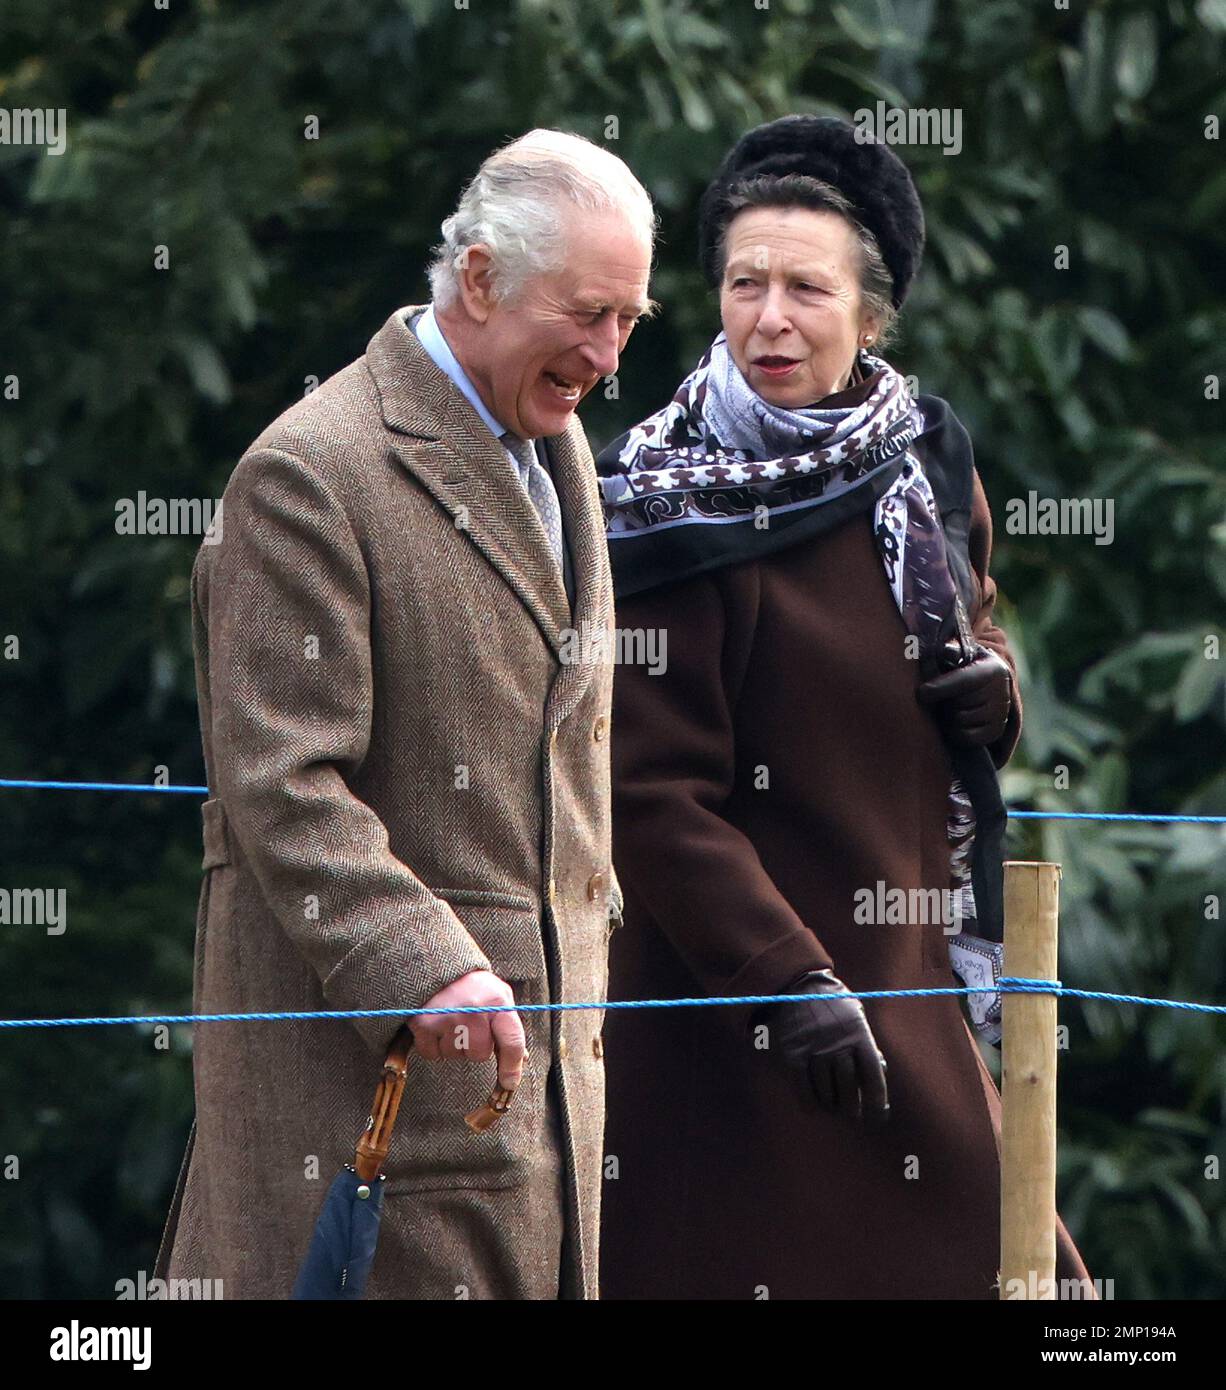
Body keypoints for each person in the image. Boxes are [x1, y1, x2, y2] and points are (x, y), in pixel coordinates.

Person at [595, 115, 1094, 1298]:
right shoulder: (659, 508)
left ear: (869, 318)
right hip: (736, 1018)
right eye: (742, 283)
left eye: (805, 289)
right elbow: (645, 795)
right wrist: (788, 984)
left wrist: (989, 681)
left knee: (1032, 1281)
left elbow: (971, 618)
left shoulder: (921, 459)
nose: (768, 316)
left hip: (905, 973)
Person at [154, 129, 654, 1299]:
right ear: (477, 280)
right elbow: (281, 782)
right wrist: (423, 966)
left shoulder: (558, 446)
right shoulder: (308, 473)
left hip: (536, 1109)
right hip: (377, 1097)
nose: (607, 353)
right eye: (586, 313)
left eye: (629, 319)